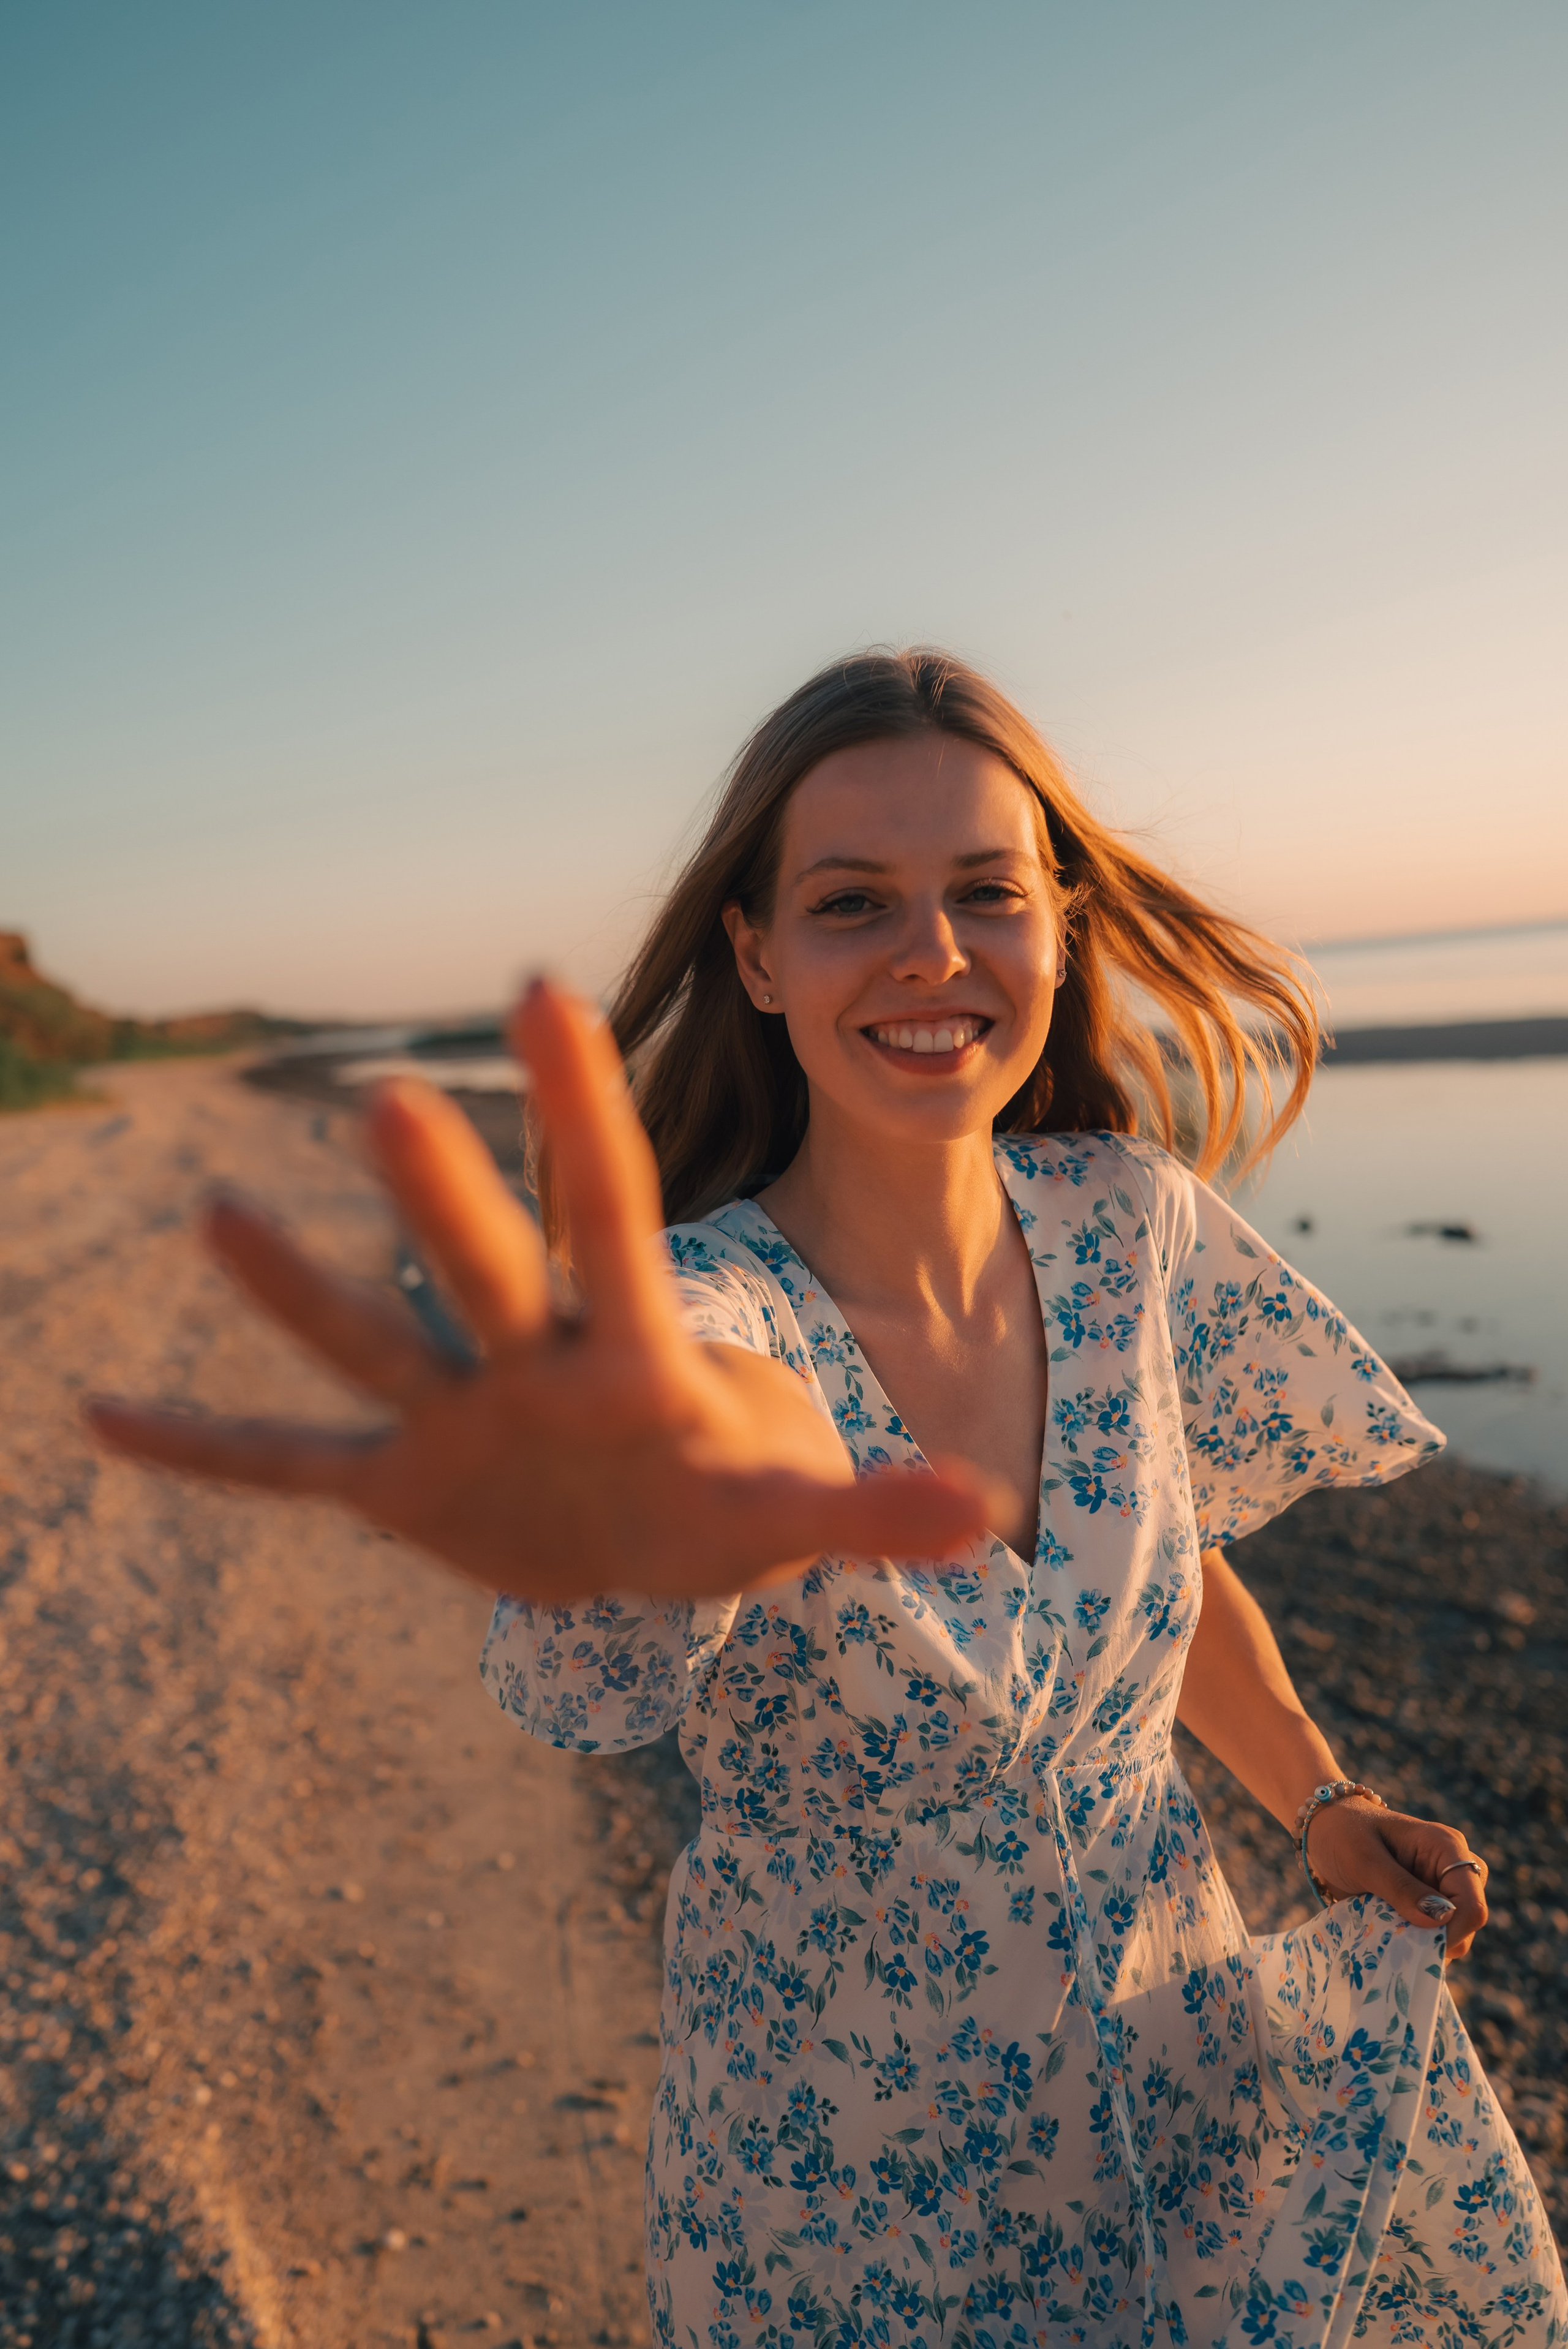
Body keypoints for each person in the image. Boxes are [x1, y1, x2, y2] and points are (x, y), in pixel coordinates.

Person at [92, 651, 1564, 2349]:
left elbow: (1171, 1567)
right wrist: (660, 1467)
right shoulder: (720, 1313)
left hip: (1181, 2101)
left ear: (1059, 926)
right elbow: (734, 1423)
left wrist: (1318, 1796)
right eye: (853, 901)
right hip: (853, 2206)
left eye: (985, 892)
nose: (931, 949)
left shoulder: (1132, 1221)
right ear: (758, 957)